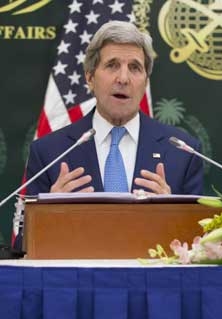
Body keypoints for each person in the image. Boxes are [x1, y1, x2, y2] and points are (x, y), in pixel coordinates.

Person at [24, 20, 203, 196]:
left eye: (134, 68)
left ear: (145, 82)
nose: (123, 78)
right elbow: (29, 223)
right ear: (90, 78)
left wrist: (172, 211)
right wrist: (48, 209)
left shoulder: (183, 154)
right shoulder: (48, 153)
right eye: (112, 65)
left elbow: (194, 225)